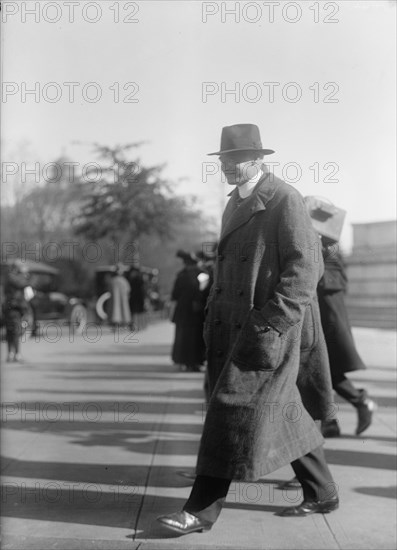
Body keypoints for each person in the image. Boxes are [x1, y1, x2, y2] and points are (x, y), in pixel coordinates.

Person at [157, 123, 338, 535]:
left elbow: (307, 266)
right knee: (285, 411)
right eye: (224, 160)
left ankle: (199, 510)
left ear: (259, 159)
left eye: (237, 159)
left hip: (264, 331)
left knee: (229, 411)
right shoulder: (234, 202)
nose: (228, 166)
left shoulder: (284, 198)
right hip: (230, 329)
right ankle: (322, 490)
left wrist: (271, 322)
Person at [317, 237, 376, 437]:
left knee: (320, 369)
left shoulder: (328, 256)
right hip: (321, 317)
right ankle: (331, 419)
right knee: (320, 370)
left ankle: (341, 413)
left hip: (325, 320)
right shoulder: (329, 255)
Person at [170, 250, 206, 372]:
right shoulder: (203, 275)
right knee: (196, 337)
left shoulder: (181, 275)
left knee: (182, 336)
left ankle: (182, 360)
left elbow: (174, 295)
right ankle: (195, 362)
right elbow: (205, 293)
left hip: (182, 311)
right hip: (197, 312)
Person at [3, 260, 30, 362]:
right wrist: (25, 275)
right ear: (16, 268)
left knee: (12, 331)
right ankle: (16, 354)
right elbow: (22, 284)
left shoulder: (12, 276)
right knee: (14, 331)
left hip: (16, 308)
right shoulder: (12, 277)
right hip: (13, 308)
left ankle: (11, 354)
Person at [109, 263, 131, 329]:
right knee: (123, 310)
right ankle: (124, 324)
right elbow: (128, 290)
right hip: (122, 300)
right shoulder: (124, 281)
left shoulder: (112, 280)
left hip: (115, 301)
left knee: (115, 311)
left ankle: (116, 325)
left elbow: (109, 290)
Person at [126, 266, 146, 331]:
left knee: (136, 313)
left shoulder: (135, 280)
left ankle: (138, 326)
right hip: (137, 299)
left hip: (136, 299)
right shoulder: (139, 279)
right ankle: (139, 326)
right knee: (137, 313)